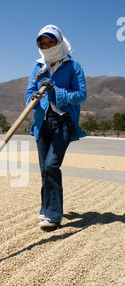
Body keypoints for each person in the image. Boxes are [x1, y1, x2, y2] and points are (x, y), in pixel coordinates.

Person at [25, 24, 87, 229]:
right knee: (44, 168)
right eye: (43, 43)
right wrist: (32, 98)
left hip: (63, 122)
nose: (47, 46)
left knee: (52, 165)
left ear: (59, 41)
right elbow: (29, 93)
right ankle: (46, 207)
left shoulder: (73, 66)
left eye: (51, 42)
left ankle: (53, 215)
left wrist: (56, 90)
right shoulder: (38, 66)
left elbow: (81, 95)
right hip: (42, 122)